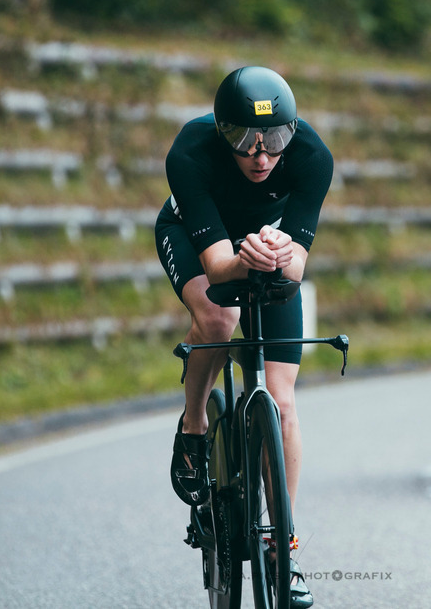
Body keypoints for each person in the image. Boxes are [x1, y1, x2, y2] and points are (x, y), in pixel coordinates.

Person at [155, 65, 333, 607]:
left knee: (281, 404)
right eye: (245, 142)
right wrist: (249, 256)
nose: (261, 156)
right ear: (221, 132)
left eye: (275, 140)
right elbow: (215, 263)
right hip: (198, 238)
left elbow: (297, 265)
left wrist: (279, 257)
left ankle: (285, 549)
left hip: (265, 248)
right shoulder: (190, 152)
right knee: (217, 319)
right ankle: (194, 423)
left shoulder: (312, 157)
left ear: (292, 132)